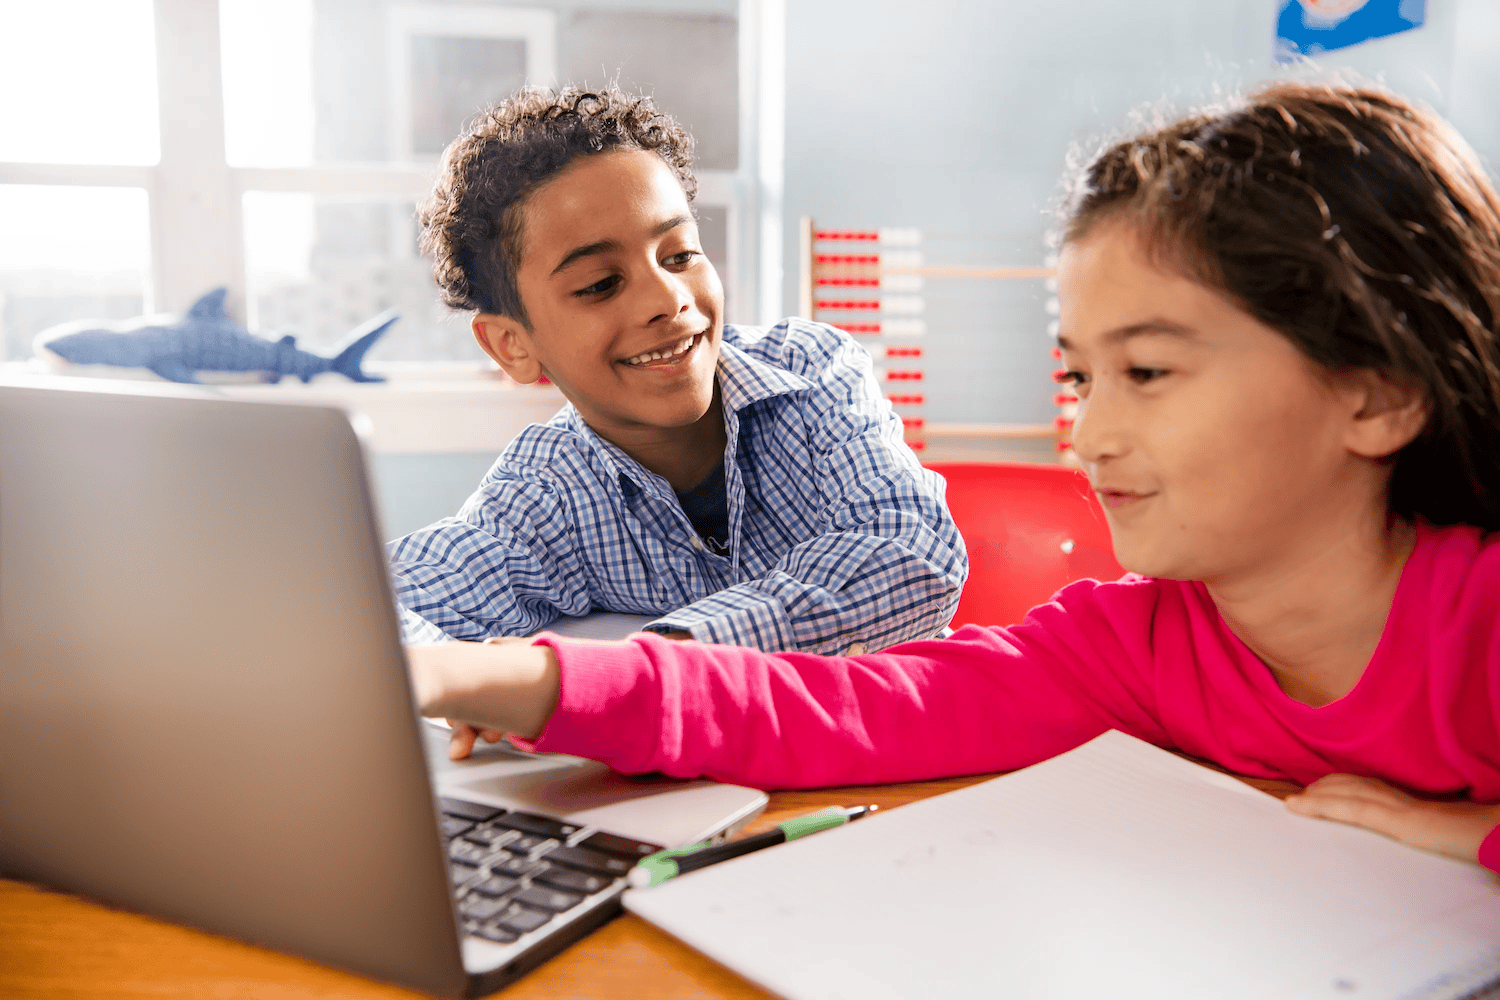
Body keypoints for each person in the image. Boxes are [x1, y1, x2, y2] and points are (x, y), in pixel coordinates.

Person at [407, 81, 1500, 870]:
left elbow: (897, 566)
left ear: (1376, 392)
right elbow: (834, 709)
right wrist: (519, 682)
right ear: (513, 344)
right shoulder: (1132, 652)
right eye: (1081, 374)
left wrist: (1477, 840)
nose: (1085, 437)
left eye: (1150, 369)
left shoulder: (1479, 618)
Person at [389, 87, 967, 655]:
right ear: (511, 344)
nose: (667, 299)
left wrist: (665, 655)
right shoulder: (546, 497)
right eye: (599, 284)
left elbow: (914, 554)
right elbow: (384, 609)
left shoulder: (812, 374)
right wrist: (463, 684)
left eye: (680, 254)